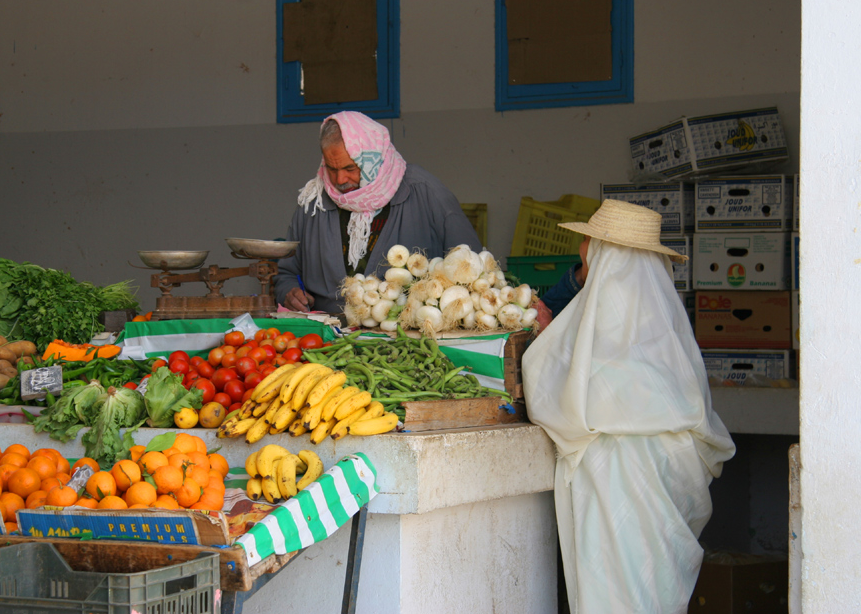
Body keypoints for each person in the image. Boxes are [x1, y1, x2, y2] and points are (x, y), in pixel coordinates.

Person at [522, 200, 735, 614]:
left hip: (620, 478)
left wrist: (544, 336)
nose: (582, 249)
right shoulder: (666, 332)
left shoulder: (602, 324)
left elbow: (559, 400)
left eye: (587, 240)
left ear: (606, 250)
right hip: (670, 478)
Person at [275, 111, 481, 314]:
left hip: (407, 337)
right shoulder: (313, 200)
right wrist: (289, 292)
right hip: (327, 336)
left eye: (350, 168)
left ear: (374, 159)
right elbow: (286, 273)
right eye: (331, 168)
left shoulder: (425, 192)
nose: (339, 180)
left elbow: (474, 268)